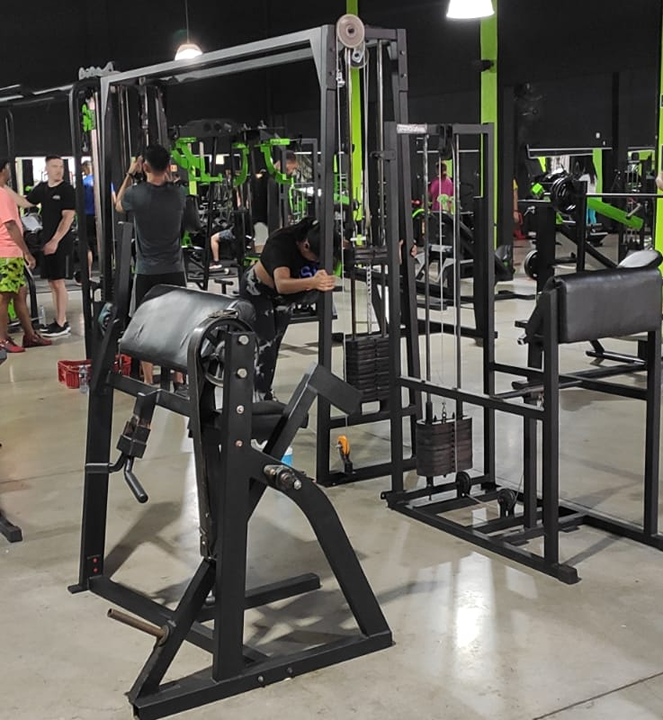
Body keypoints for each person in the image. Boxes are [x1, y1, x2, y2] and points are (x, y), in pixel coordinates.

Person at [239, 217, 336, 401]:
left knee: (274, 345)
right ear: (306, 245)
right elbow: (282, 284)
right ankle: (260, 398)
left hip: (285, 298)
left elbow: (346, 249)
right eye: (316, 258)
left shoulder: (323, 237)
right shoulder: (281, 242)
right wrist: (313, 282)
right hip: (258, 291)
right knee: (265, 346)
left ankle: (263, 391)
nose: (317, 261)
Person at [115, 144, 187, 387]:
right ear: (168, 166)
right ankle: (178, 377)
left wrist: (130, 173)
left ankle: (147, 380)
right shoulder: (178, 194)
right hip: (175, 271)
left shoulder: (135, 194)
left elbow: (118, 204)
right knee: (177, 324)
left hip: (147, 272)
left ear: (144, 166)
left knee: (146, 326)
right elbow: (169, 183)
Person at [5, 156, 76, 337]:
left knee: (59, 282)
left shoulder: (67, 190)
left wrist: (55, 240)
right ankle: (58, 320)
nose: (59, 170)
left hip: (61, 242)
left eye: (61, 166)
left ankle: (62, 322)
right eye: (54, 166)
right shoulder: (43, 188)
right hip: (47, 241)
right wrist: (3, 187)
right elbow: (24, 202)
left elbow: (68, 217)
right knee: (52, 283)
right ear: (47, 169)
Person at [0, 160, 51, 352]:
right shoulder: (2, 195)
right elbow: (10, 225)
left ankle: (30, 335)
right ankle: (2, 339)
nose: (9, 171)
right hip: (7, 253)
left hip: (10, 253)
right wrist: (26, 252)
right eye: (7, 168)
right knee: (4, 297)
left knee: (20, 293)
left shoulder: (4, 192)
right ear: (2, 171)